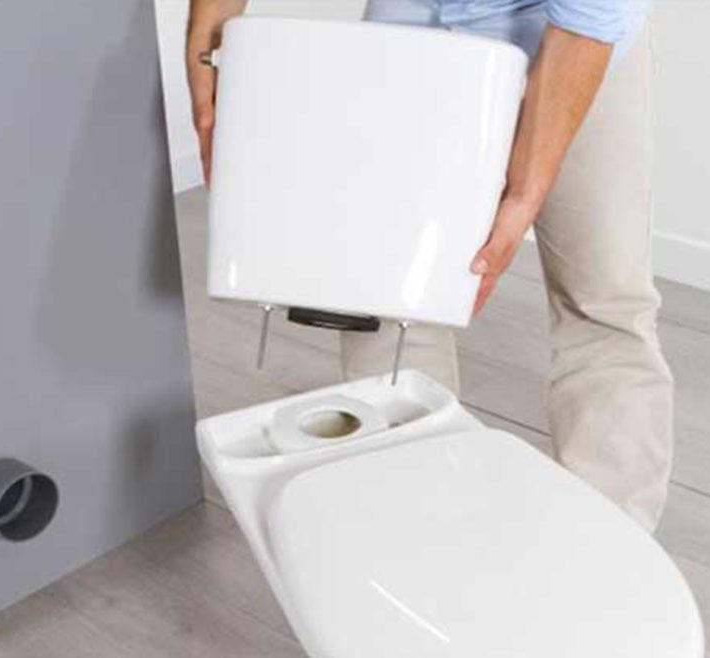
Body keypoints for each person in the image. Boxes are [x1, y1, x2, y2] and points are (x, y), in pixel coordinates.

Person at [185, 0, 671, 532]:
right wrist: (208, 35)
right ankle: (420, 526)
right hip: (410, 36)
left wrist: (525, 192)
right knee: (380, 303)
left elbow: (590, 14)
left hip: (581, 37)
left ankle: (608, 541)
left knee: (602, 303)